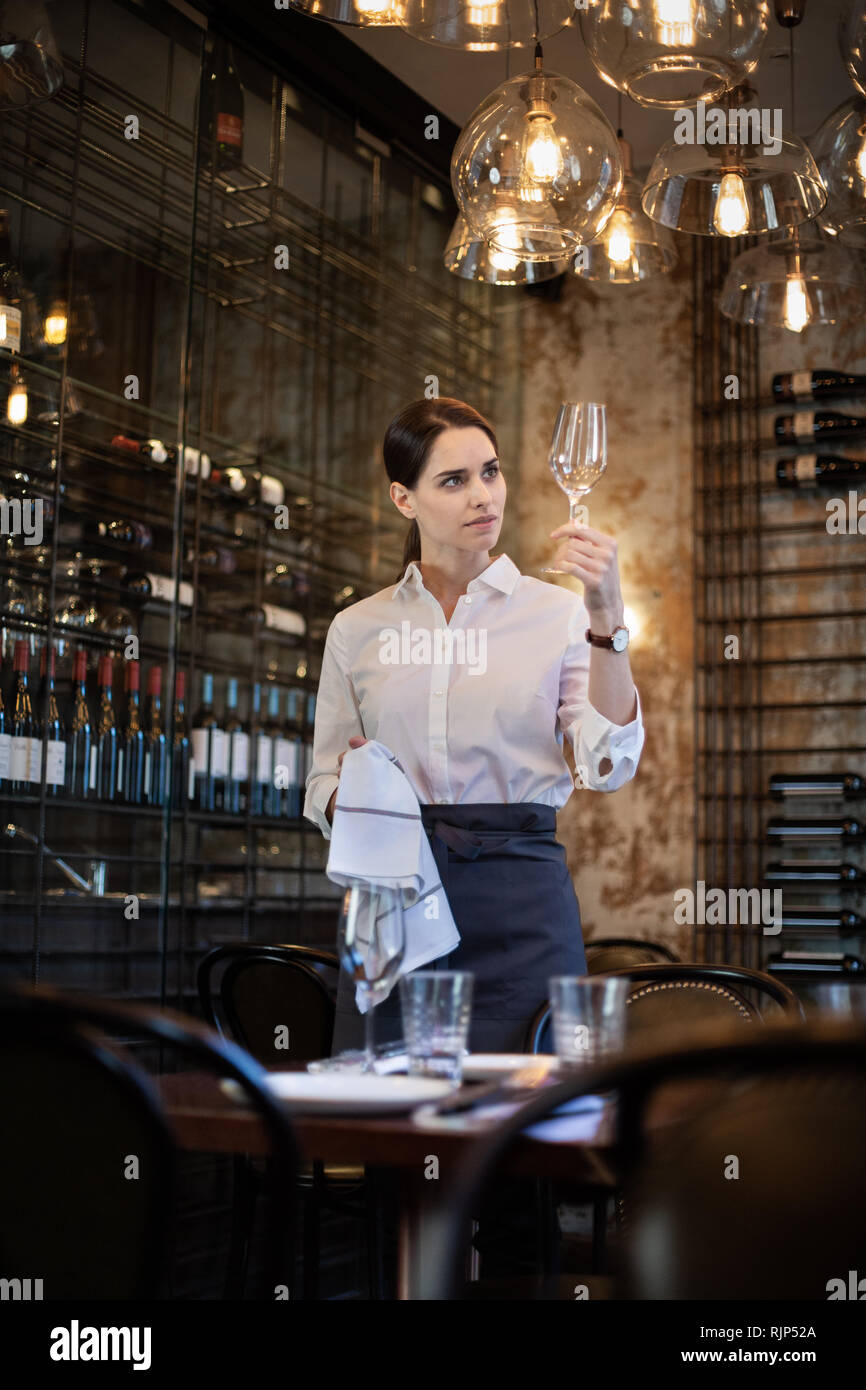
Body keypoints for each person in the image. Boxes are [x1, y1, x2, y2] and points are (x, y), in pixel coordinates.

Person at [304, 396, 645, 1057]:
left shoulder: (559, 615)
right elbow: (321, 787)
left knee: (530, 1130)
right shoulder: (357, 630)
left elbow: (607, 768)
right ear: (404, 499)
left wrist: (607, 613)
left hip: (522, 908)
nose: (482, 496)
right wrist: (358, 791)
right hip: (394, 903)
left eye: (490, 472)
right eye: (454, 481)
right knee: (395, 1130)